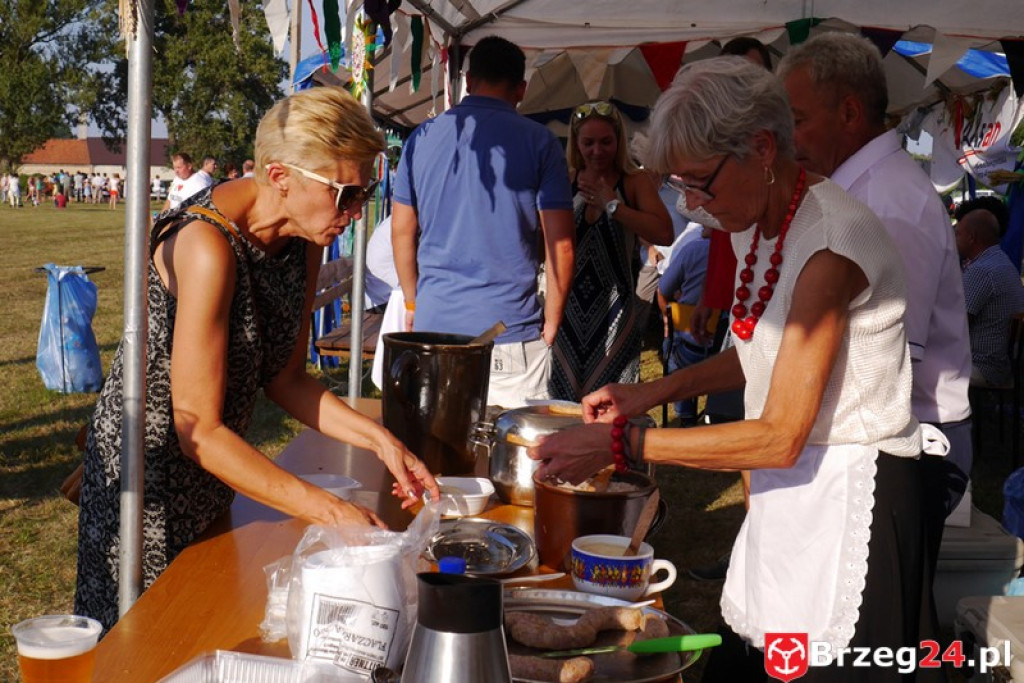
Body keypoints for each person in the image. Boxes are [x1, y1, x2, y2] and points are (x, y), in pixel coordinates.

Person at [532, 57, 940, 681]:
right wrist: (649, 393)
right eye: (681, 186)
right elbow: (760, 350)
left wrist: (621, 441)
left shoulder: (832, 243)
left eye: (701, 183)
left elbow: (780, 435)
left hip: (853, 492)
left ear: (762, 149)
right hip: (795, 483)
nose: (693, 203)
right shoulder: (759, 220)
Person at [75, 86, 440, 632]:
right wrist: (331, 511)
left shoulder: (306, 238)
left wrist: (382, 441)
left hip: (213, 472)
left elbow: (287, 379)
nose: (356, 214)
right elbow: (196, 430)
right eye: (345, 194)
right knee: (142, 640)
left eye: (365, 194)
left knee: (203, 624)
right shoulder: (205, 245)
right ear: (278, 176)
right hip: (146, 484)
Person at [779, 32, 974, 592]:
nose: (791, 140)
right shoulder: (858, 190)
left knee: (873, 623)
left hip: (912, 438)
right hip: (882, 432)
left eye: (799, 120)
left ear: (848, 112)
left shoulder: (888, 202)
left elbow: (885, 364)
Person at [392, 36, 575, 408]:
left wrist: (413, 303)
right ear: (521, 89)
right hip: (508, 332)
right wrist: (552, 322)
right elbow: (562, 246)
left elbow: (402, 232)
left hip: (434, 327)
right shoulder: (540, 142)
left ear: (468, 81)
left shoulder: (421, 138)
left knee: (436, 453)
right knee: (511, 455)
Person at [549, 102, 672, 401]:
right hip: (567, 317)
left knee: (611, 407)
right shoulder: (565, 181)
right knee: (565, 408)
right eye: (588, 143)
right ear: (576, 144)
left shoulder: (633, 182)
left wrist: (613, 205)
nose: (597, 151)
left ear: (618, 142)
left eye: (606, 142)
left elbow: (664, 233)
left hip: (616, 315)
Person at [955, 197, 1024, 386]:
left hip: (982, 366)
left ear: (972, 238)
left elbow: (956, 325)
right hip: (1002, 364)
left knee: (913, 366)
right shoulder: (1000, 261)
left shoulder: (982, 270)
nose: (954, 239)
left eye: (957, 233)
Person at [657, 224, 714, 423]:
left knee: (670, 346)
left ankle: (685, 414)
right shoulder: (741, 254)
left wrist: (667, 319)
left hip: (689, 347)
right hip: (723, 347)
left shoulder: (693, 250)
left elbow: (663, 290)